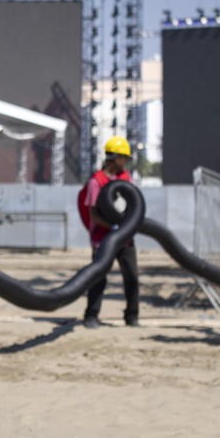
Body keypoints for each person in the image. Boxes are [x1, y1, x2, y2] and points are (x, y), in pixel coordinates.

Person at [78, 135, 139, 328]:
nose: (126, 162)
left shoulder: (126, 178)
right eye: (125, 158)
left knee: (132, 277)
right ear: (117, 158)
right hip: (102, 239)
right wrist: (111, 226)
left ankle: (132, 316)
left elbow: (134, 205)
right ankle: (91, 316)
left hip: (126, 238)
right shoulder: (97, 181)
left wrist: (125, 227)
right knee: (98, 277)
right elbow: (93, 213)